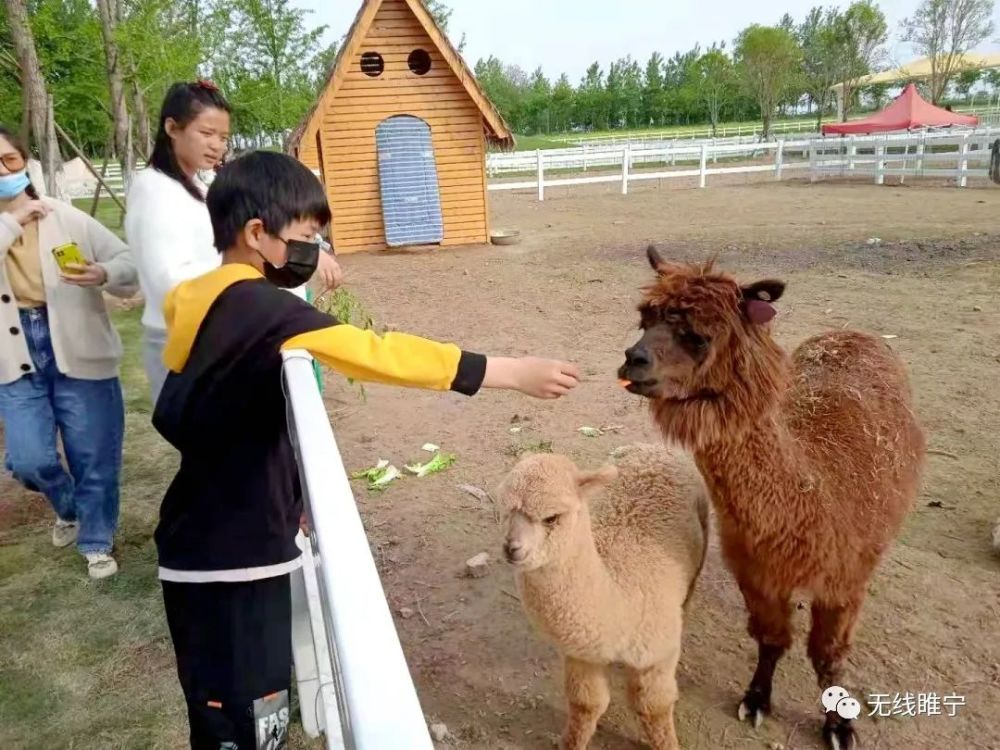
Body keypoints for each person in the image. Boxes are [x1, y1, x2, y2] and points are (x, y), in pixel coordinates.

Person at [153, 150, 580, 748]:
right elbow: (380, 353)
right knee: (248, 719)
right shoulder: (264, 311)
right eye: (305, 237)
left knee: (221, 709)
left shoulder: (201, 300)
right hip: (236, 554)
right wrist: (509, 371)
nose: (314, 251)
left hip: (198, 537)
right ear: (257, 234)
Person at [125, 80, 342, 405]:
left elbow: (251, 228)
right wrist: (260, 273)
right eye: (206, 133)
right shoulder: (154, 191)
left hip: (214, 328)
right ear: (172, 127)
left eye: (223, 137)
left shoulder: (199, 183)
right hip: (185, 337)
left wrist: (304, 248)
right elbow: (168, 281)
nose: (217, 146)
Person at [0, 125, 138, 579]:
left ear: (26, 162)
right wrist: (11, 223)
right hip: (14, 353)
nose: (3, 171)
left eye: (10, 161)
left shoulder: (64, 216)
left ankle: (95, 539)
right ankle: (70, 505)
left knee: (93, 453)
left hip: (79, 345)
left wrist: (102, 274)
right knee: (27, 459)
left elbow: (128, 263)